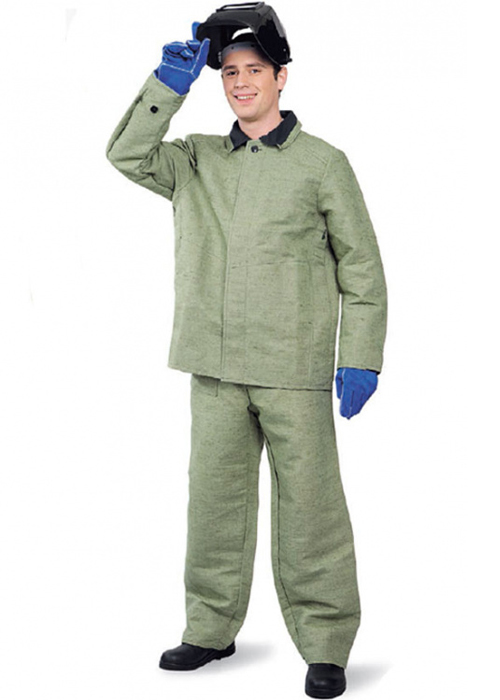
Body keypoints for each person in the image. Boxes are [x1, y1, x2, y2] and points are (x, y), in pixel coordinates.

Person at [106, 5, 387, 697]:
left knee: (312, 511)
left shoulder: (323, 164)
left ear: (281, 77)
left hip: (293, 367)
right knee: (214, 506)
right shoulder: (194, 159)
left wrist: (360, 355)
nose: (240, 83)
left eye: (254, 70)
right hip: (214, 365)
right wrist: (166, 86)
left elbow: (362, 269)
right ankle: (209, 628)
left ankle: (326, 644)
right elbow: (127, 154)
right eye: (228, 72)